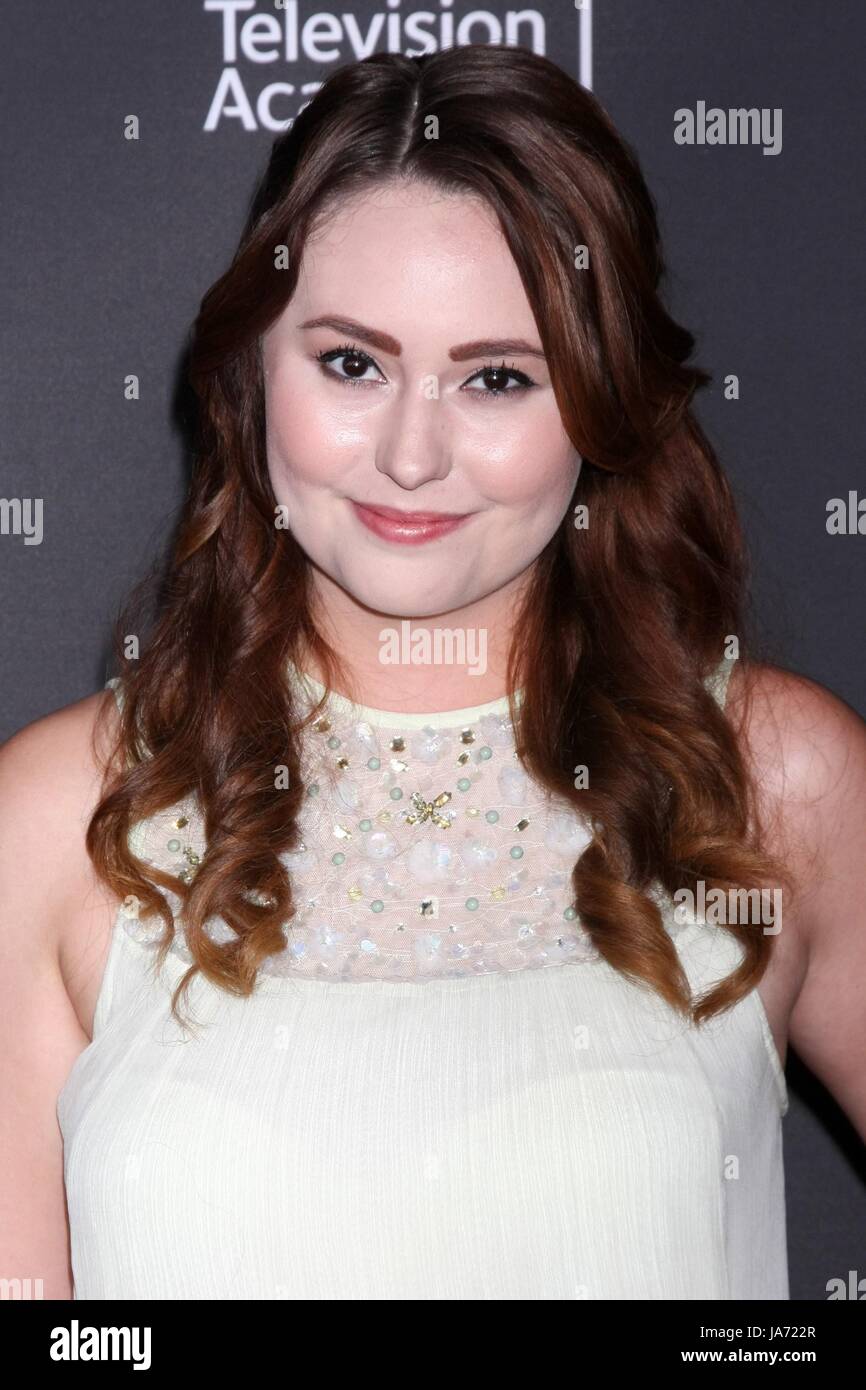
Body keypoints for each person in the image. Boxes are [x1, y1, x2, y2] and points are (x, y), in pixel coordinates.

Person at [1, 44, 864, 1302]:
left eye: (497, 378)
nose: (411, 454)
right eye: (351, 363)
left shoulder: (774, 779)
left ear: (599, 399)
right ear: (252, 373)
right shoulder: (54, 818)